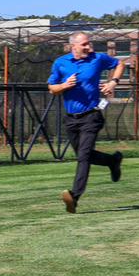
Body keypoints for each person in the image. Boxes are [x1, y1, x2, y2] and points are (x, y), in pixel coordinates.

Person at [47, 31, 126, 213]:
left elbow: (120, 63)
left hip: (92, 116)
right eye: (84, 45)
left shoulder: (97, 59)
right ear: (73, 46)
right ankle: (113, 161)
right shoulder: (61, 63)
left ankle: (74, 196)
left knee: (83, 156)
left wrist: (113, 82)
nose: (88, 47)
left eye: (89, 44)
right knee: (85, 155)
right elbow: (52, 88)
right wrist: (64, 86)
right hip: (71, 119)